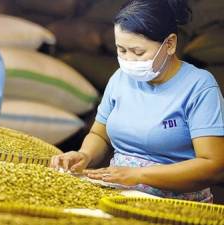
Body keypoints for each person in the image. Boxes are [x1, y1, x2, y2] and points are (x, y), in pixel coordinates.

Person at [51, 0, 224, 202]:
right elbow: (100, 134)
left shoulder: (199, 86)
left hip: (175, 206)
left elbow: (213, 166)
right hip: (117, 194)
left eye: (138, 52)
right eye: (121, 50)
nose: (128, 60)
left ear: (170, 44)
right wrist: (85, 155)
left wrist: (138, 176)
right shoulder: (120, 79)